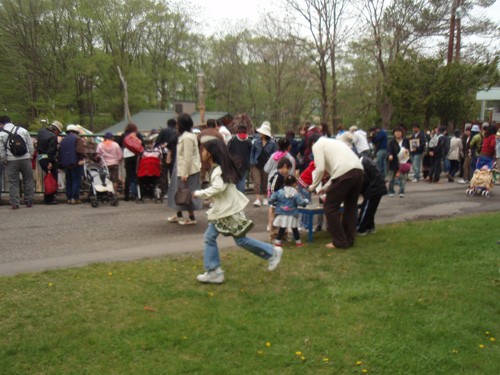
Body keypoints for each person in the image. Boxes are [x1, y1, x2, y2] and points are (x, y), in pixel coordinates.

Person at [194, 139, 283, 284]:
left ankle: (272, 252)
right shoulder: (220, 168)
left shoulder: (218, 170)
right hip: (225, 211)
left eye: (203, 150)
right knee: (211, 237)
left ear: (210, 154)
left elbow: (218, 188)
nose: (201, 153)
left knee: (239, 240)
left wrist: (199, 193)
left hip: (229, 212)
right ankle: (213, 271)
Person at [308, 134, 364, 249]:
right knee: (350, 207)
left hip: (345, 173)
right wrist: (324, 188)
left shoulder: (317, 145)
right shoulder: (334, 142)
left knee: (330, 206)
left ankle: (339, 241)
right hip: (359, 172)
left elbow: (319, 168)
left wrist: (313, 186)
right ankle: (349, 240)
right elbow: (336, 173)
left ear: (312, 143)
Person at [167, 113, 202, 225]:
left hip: (187, 170)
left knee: (187, 192)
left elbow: (188, 157)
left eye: (178, 122)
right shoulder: (187, 136)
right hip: (183, 168)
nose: (176, 124)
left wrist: (185, 173)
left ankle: (191, 218)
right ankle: (179, 214)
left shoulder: (186, 137)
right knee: (179, 191)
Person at [0, 116, 35, 209]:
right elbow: (30, 145)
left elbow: (1, 150)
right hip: (25, 158)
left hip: (11, 160)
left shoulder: (1, 134)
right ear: (11, 121)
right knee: (28, 179)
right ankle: (29, 201)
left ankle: (15, 203)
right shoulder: (23, 130)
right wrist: (30, 155)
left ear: (1, 124)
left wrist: (5, 159)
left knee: (13, 182)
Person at [269, 175, 308, 247]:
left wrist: (272, 203)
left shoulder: (280, 192)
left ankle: (277, 242)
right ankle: (298, 242)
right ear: (294, 184)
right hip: (292, 213)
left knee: (282, 228)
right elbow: (300, 203)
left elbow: (271, 199)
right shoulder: (296, 193)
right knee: (294, 228)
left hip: (281, 213)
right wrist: (305, 201)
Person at [357, 156, 387, 235]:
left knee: (366, 209)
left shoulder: (362, 164)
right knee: (370, 209)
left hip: (374, 188)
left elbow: (364, 180)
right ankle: (370, 227)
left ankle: (360, 228)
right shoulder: (366, 160)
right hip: (378, 187)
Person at [249, 121, 276, 207]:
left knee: (265, 182)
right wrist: (252, 162)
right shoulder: (256, 141)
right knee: (257, 182)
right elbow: (252, 152)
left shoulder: (272, 143)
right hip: (256, 164)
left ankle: (265, 197)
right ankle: (257, 199)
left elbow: (274, 154)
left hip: (267, 165)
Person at [36, 120, 62, 204]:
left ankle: (49, 197)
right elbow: (51, 151)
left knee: (48, 176)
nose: (58, 134)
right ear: (56, 130)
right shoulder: (53, 136)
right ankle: (49, 198)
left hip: (40, 157)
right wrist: (51, 162)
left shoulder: (41, 131)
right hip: (48, 159)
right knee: (52, 178)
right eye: (59, 132)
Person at [59, 124, 86, 204]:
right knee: (76, 180)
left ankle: (69, 198)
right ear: (75, 132)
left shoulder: (63, 140)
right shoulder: (77, 139)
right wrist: (81, 159)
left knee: (68, 181)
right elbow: (80, 150)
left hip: (66, 163)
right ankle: (75, 198)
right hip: (76, 162)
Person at [119, 122, 144, 201]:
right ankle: (137, 193)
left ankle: (126, 194)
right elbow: (142, 144)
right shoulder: (138, 135)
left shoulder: (124, 135)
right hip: (136, 156)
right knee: (137, 174)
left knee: (128, 176)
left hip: (127, 156)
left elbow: (120, 144)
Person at [155, 118, 178, 196]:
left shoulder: (163, 131)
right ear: (175, 124)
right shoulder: (177, 132)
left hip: (164, 154)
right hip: (174, 154)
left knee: (164, 173)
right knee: (173, 173)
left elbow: (157, 142)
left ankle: (165, 191)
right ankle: (174, 190)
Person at [228, 124, 252, 193]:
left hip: (234, 163)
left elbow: (228, 151)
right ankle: (241, 194)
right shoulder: (249, 141)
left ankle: (235, 196)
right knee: (242, 180)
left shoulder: (233, 140)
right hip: (244, 164)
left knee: (234, 180)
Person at [387, 126, 411, 197]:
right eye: (396, 132)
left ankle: (401, 191)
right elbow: (388, 150)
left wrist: (408, 151)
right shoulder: (391, 142)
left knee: (402, 177)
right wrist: (389, 155)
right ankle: (391, 191)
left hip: (403, 160)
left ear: (402, 133)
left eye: (399, 132)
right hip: (393, 161)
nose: (397, 133)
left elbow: (410, 148)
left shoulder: (406, 141)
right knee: (391, 177)